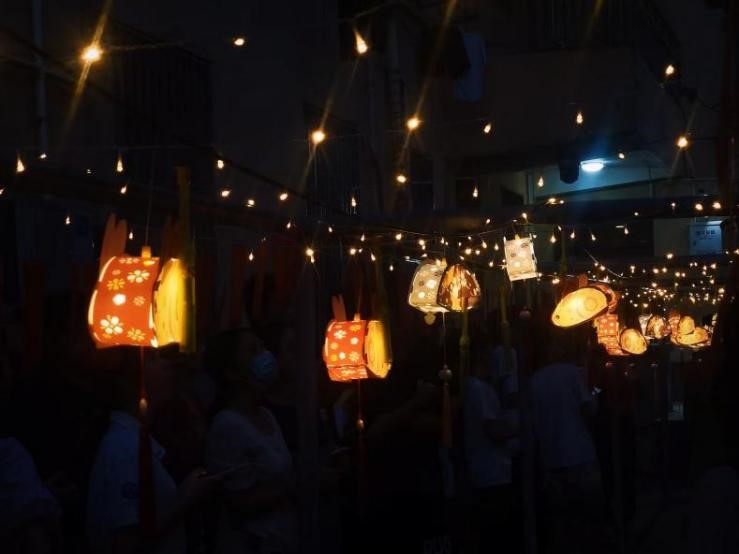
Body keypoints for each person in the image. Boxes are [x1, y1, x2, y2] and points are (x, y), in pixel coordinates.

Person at [86, 348, 219, 554]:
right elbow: (126, 544)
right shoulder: (126, 448)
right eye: (151, 359)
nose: (167, 364)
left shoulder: (135, 440)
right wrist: (185, 498)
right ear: (131, 380)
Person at [205, 328, 297, 554]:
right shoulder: (227, 425)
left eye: (262, 347)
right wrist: (296, 486)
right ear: (231, 372)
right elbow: (237, 502)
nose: (264, 355)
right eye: (252, 350)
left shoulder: (266, 414)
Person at [530, 334, 607, 554]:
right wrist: (596, 391)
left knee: (560, 516)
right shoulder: (574, 373)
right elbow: (589, 409)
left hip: (550, 455)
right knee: (587, 513)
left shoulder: (534, 380)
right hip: (578, 452)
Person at [463, 344, 518, 552]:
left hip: (490, 470)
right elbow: (493, 430)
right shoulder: (478, 389)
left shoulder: (481, 388)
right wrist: (520, 427)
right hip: (491, 472)